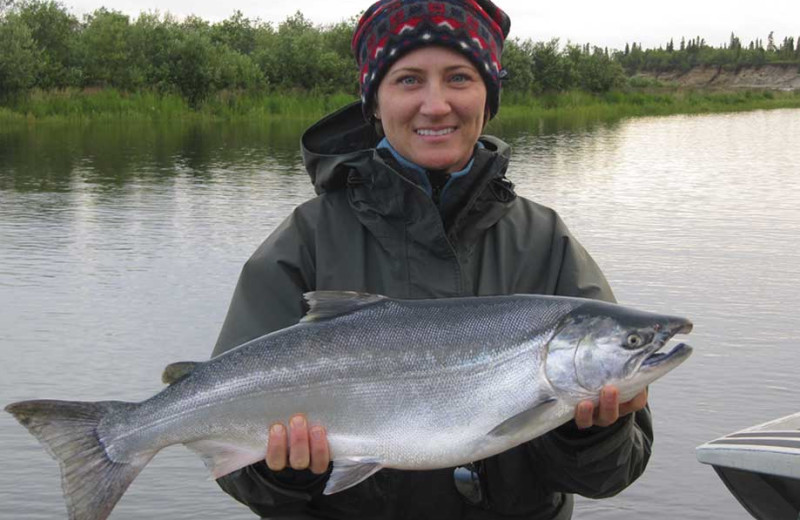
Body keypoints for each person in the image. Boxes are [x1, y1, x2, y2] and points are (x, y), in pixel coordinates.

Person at [211, 0, 652, 518]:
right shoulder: (304, 241)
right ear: (374, 101)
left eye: (460, 77)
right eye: (408, 80)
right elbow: (238, 472)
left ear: (489, 97)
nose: (436, 104)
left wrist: (592, 435)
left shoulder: (546, 241)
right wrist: (278, 473)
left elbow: (614, 473)